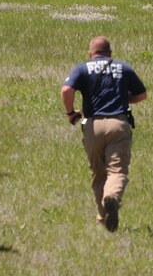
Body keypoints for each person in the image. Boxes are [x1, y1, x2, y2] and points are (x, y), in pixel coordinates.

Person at [60, 36, 147, 232]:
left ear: (90, 54)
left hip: (92, 127)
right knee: (117, 171)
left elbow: (66, 90)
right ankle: (113, 197)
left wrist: (70, 113)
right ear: (110, 53)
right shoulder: (123, 67)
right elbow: (142, 95)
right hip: (118, 124)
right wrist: (123, 99)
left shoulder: (82, 68)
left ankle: (103, 219)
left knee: (99, 174)